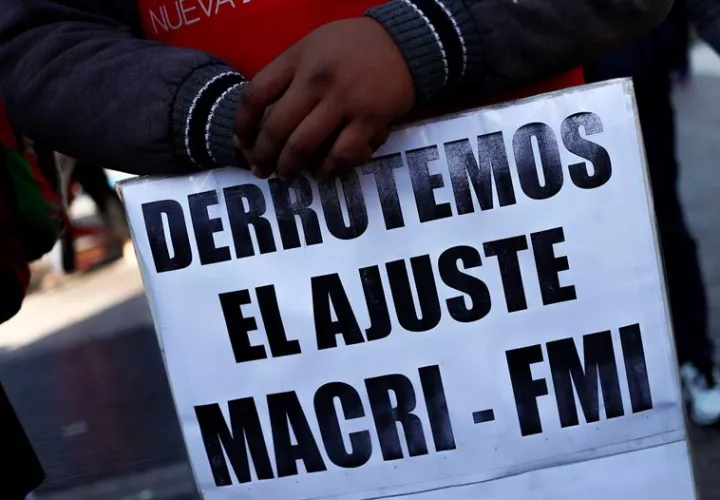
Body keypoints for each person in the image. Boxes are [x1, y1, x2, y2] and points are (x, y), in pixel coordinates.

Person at [0, 0, 672, 181]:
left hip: (543, 246)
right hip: (279, 314)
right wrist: (216, 112)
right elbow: (34, 37)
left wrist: (426, 42)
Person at [586, 0, 720, 425]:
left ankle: (695, 361)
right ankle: (605, 378)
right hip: (534, 82)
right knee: (569, 242)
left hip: (634, 74)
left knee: (660, 221)